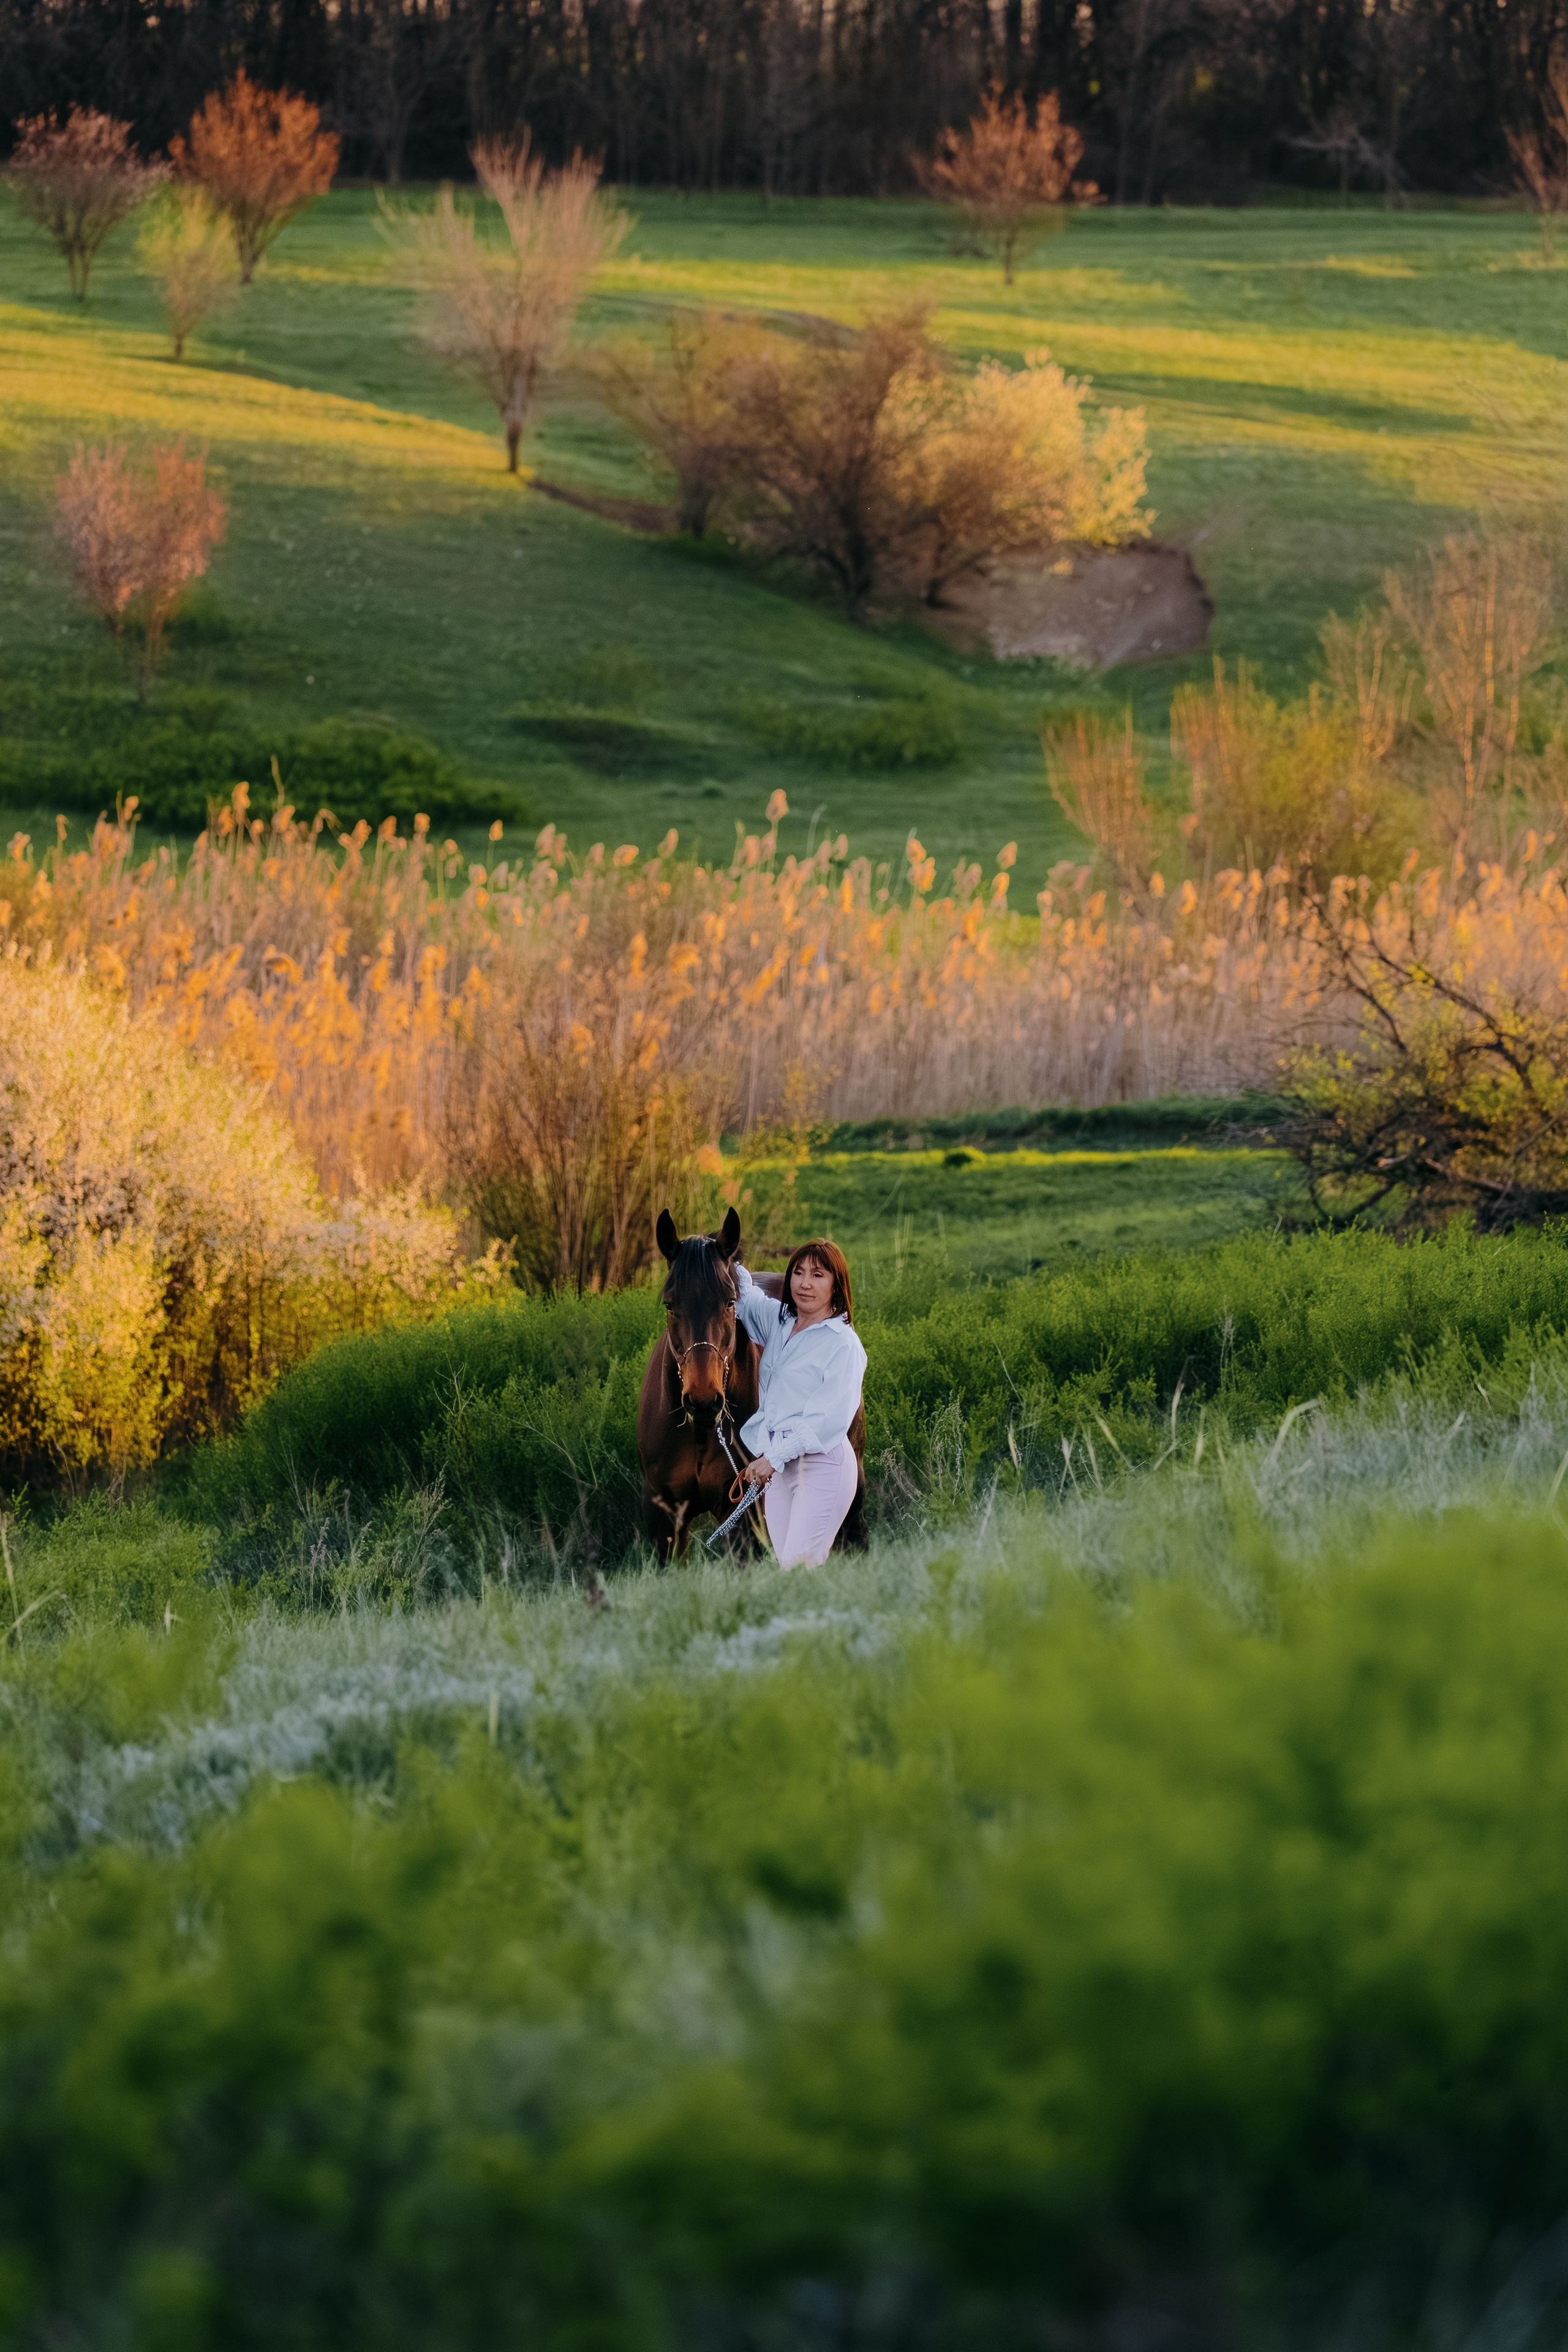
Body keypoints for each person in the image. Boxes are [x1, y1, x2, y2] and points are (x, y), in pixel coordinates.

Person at [733, 1238, 866, 1569]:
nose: (804, 1284)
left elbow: (828, 1420)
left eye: (818, 1275)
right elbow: (746, 1297)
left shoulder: (843, 1344)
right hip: (781, 1468)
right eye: (798, 1272)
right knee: (789, 1569)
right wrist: (718, 1255)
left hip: (823, 1466)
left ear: (837, 1285)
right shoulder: (780, 1325)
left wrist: (771, 1459)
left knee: (798, 1570)